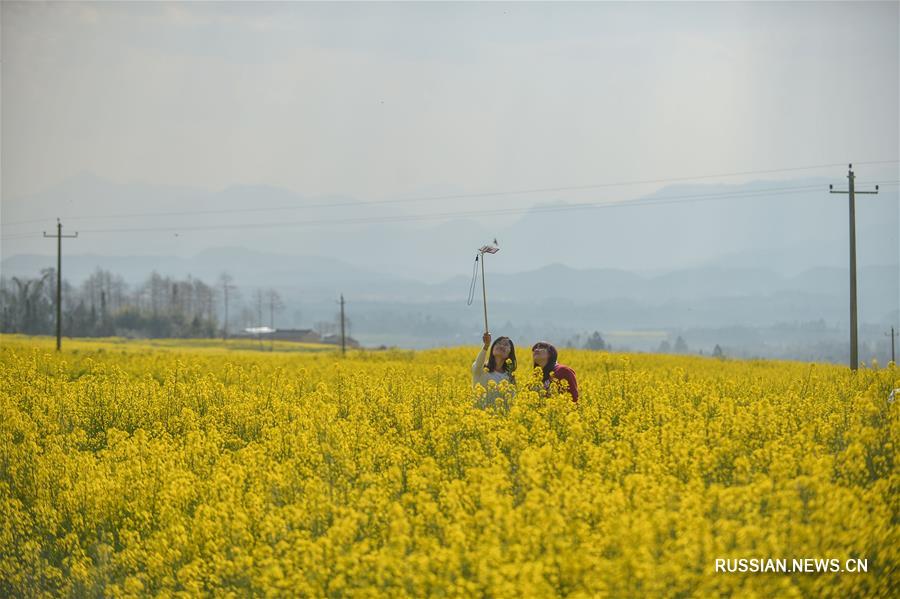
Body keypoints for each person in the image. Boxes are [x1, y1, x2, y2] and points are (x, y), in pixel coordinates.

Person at [472, 332, 517, 407]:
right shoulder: (482, 369)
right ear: (492, 348)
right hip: (479, 415)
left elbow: (511, 402)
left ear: (509, 353)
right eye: (498, 343)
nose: (501, 346)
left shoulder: (509, 376)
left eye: (506, 345)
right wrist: (486, 346)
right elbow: (477, 365)